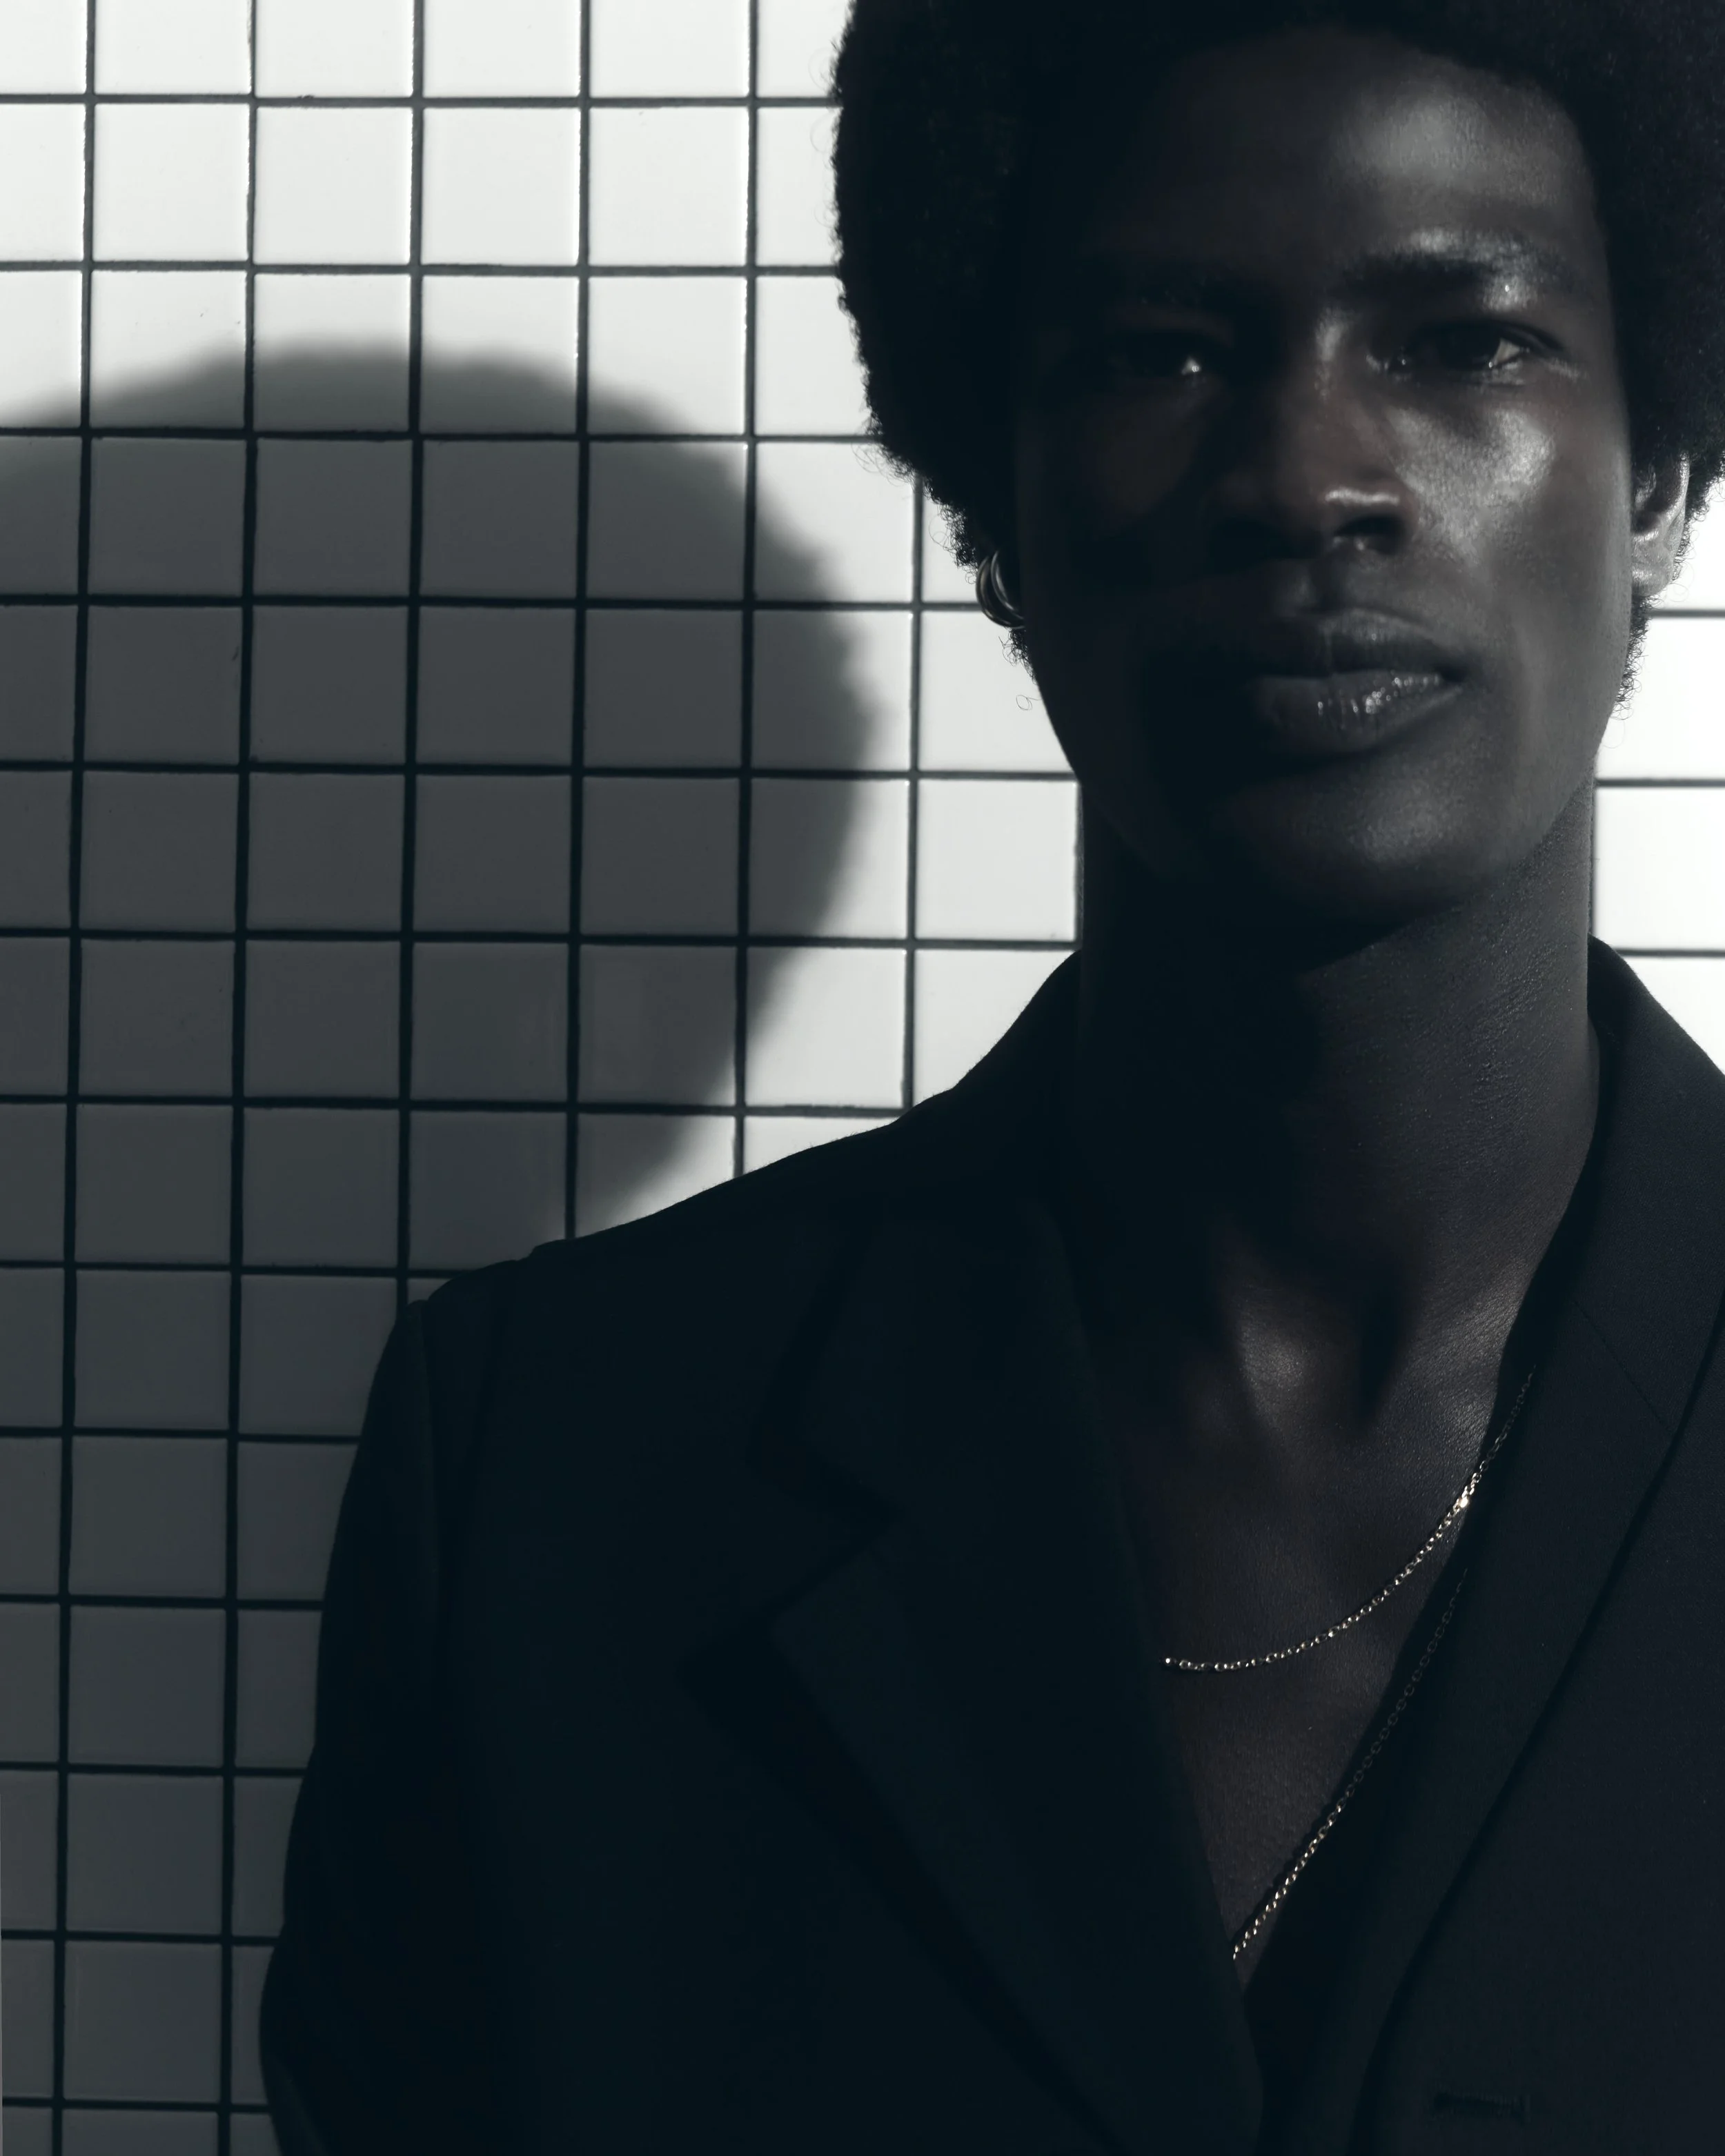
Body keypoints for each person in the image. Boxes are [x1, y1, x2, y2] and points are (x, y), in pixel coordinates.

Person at [260, 2, 1725, 2148]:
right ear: (990, 518)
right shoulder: (548, 1481)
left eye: (1461, 340)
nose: (1306, 470)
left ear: (1660, 485)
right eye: (1160, 348)